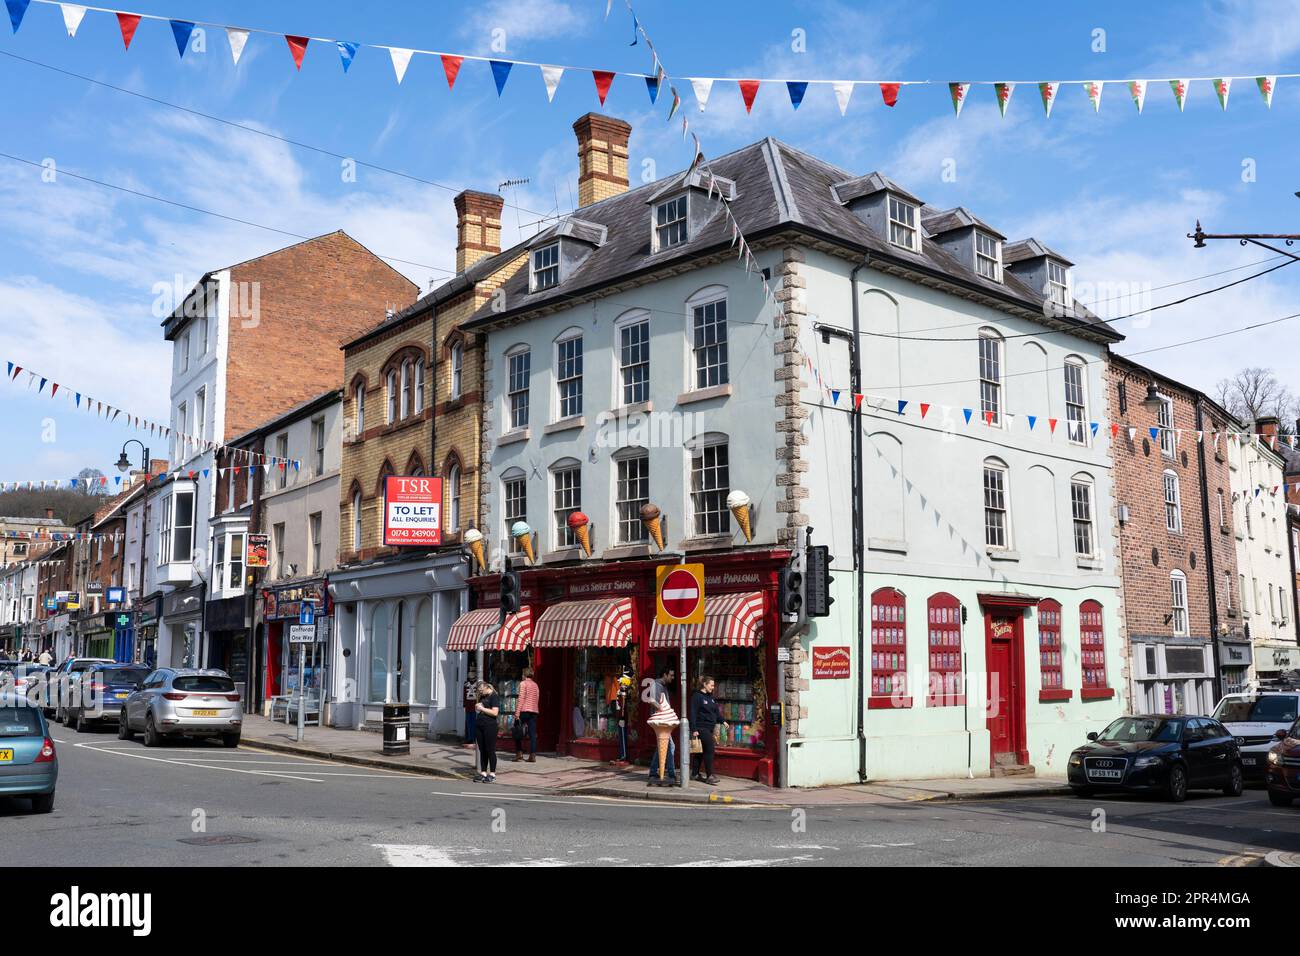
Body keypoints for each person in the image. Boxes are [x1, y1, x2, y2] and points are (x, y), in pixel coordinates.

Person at [689, 676, 728, 785]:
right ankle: (710, 775)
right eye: (711, 685)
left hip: (709, 728)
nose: (713, 687)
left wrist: (723, 721)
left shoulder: (711, 698)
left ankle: (695, 774)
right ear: (704, 685)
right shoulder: (696, 696)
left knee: (700, 751)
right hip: (701, 728)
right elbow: (692, 713)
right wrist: (694, 729)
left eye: (713, 685)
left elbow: (716, 712)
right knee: (710, 748)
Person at [646, 665, 677, 783]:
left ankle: (653, 773)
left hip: (665, 721)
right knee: (670, 746)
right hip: (660, 721)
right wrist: (663, 709)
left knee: (662, 746)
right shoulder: (655, 684)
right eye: (671, 675)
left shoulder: (664, 686)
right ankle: (670, 774)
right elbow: (652, 700)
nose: (673, 678)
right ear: (665, 675)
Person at [473, 681, 501, 783]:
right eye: (479, 691)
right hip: (480, 726)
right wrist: (478, 708)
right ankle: (483, 773)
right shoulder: (482, 696)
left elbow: (495, 712)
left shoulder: (494, 696)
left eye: (481, 690)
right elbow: (479, 709)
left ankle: (492, 774)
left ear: (485, 687)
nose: (480, 693)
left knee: (490, 750)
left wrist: (482, 708)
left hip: (490, 726)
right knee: (482, 750)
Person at [513, 667, 540, 762]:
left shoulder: (523, 683)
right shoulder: (535, 685)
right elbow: (537, 698)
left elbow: (521, 699)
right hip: (534, 711)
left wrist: (517, 713)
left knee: (516, 730)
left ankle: (519, 753)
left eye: (522, 674)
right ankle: (532, 755)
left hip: (524, 710)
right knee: (532, 734)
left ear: (524, 674)